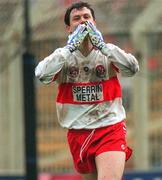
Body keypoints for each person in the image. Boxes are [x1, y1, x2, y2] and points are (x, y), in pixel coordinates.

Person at [35, 1, 139, 180]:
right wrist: (69, 49)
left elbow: (132, 68)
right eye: (77, 18)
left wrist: (104, 47)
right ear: (69, 28)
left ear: (94, 23)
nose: (83, 21)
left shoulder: (108, 52)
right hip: (78, 133)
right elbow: (41, 74)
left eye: (86, 17)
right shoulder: (63, 57)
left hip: (110, 128)